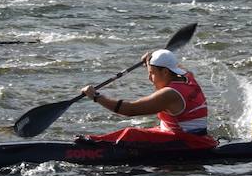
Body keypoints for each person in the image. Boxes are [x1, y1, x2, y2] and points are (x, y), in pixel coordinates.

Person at [79, 49, 217, 149]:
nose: (149, 78)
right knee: (140, 132)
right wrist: (151, 59)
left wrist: (96, 96)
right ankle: (97, 141)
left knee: (131, 134)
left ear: (165, 72)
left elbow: (130, 110)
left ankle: (93, 147)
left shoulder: (170, 94)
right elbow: (173, 65)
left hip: (187, 144)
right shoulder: (188, 76)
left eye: (152, 73)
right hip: (195, 137)